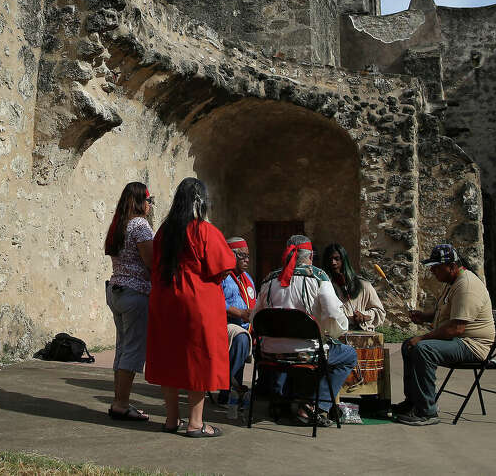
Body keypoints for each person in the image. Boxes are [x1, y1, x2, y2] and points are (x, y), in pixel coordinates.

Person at [145, 178, 235, 438]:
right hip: (197, 301)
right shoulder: (203, 230)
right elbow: (224, 265)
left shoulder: (164, 231)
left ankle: (172, 419)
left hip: (165, 299)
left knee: (170, 357)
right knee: (199, 358)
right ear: (200, 201)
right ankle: (196, 422)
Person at [251, 235, 357, 427]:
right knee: (348, 355)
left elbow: (255, 317)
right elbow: (334, 314)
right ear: (310, 256)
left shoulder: (269, 279)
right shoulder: (318, 277)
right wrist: (332, 333)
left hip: (269, 352)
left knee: (297, 350)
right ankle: (313, 407)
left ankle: (281, 400)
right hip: (306, 353)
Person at [395, 243, 496, 426]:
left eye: (436, 267)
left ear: (452, 266)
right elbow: (445, 313)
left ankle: (427, 411)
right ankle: (413, 402)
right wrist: (424, 317)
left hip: (472, 345)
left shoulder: (466, 286)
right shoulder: (452, 282)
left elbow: (456, 328)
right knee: (408, 345)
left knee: (423, 349)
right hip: (460, 340)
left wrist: (422, 338)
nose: (433, 271)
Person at [104, 181, 156, 422]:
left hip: (117, 290)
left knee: (123, 348)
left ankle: (118, 401)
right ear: (139, 201)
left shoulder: (120, 224)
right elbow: (151, 261)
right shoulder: (139, 225)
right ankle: (122, 403)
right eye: (148, 200)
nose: (150, 204)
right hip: (135, 293)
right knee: (133, 350)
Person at [216, 237, 255, 409]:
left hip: (246, 325)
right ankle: (228, 390)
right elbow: (216, 301)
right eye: (242, 256)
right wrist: (239, 312)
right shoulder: (223, 276)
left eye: (248, 256)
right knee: (241, 338)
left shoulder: (247, 278)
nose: (247, 260)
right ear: (230, 256)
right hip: (224, 323)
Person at [321, 243, 386, 332]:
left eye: (337, 259)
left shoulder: (364, 285)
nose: (333, 262)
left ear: (344, 260)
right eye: (330, 260)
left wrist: (363, 316)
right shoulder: (323, 286)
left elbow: (380, 312)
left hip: (360, 334)